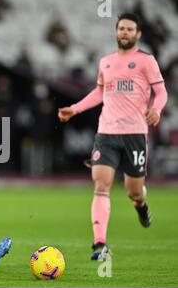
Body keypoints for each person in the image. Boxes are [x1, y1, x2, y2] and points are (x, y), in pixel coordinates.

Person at [58, 13, 168, 260]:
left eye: (130, 29)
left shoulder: (146, 61)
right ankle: (100, 243)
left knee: (133, 191)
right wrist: (74, 108)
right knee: (101, 184)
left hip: (135, 134)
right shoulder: (106, 62)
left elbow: (161, 92)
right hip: (106, 132)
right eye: (121, 29)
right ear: (116, 32)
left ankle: (141, 205)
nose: (125, 33)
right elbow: (99, 92)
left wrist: (156, 110)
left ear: (138, 34)